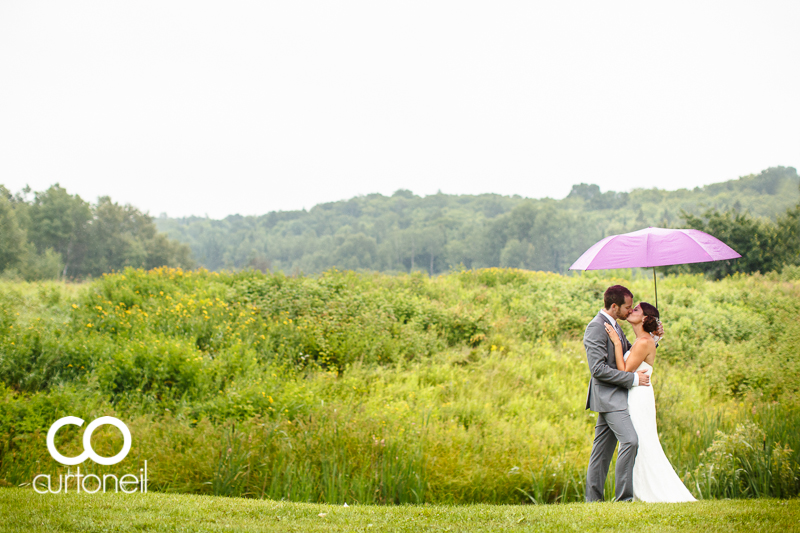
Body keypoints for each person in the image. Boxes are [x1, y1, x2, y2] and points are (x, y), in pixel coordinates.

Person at [604, 302, 696, 502]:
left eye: (635, 309)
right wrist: (657, 335)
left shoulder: (644, 342)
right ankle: (636, 489)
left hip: (638, 397)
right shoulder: (644, 340)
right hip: (636, 393)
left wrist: (617, 344)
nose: (630, 311)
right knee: (638, 440)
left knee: (640, 440)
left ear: (645, 318)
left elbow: (625, 371)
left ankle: (645, 491)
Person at [584, 285, 650, 502]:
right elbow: (598, 370)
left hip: (617, 396)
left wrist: (652, 340)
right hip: (609, 397)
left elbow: (631, 352)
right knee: (630, 441)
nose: (630, 311)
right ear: (614, 306)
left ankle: (593, 501)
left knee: (601, 454)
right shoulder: (596, 327)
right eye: (627, 307)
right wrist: (632, 379)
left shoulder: (615, 325)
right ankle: (624, 499)